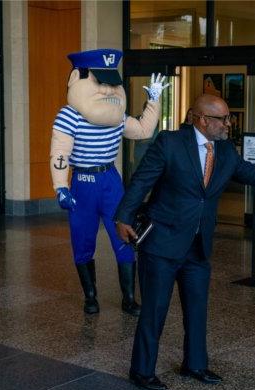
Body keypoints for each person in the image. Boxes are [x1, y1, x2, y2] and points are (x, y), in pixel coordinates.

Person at [115, 94, 255, 390]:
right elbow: (142, 181)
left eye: (229, 118)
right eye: (223, 119)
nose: (229, 124)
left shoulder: (226, 152)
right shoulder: (170, 143)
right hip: (163, 244)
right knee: (155, 310)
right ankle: (141, 371)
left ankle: (194, 364)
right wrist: (123, 217)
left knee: (197, 309)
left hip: (198, 247)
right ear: (203, 119)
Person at [49, 49, 168, 316]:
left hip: (110, 180)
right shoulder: (70, 116)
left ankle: (128, 298)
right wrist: (61, 186)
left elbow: (143, 130)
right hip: (83, 181)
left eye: (110, 82)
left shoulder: (117, 117)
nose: (106, 89)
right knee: (82, 240)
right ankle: (90, 296)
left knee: (124, 238)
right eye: (99, 81)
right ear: (75, 78)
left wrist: (154, 100)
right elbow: (60, 151)